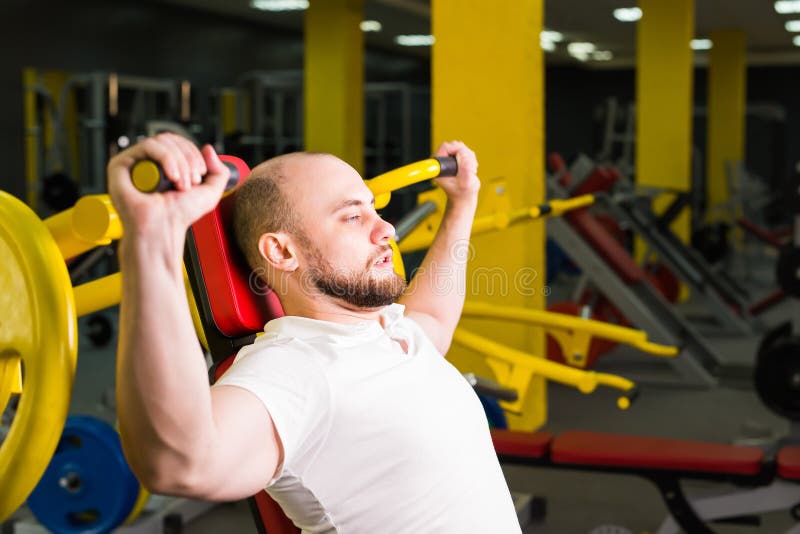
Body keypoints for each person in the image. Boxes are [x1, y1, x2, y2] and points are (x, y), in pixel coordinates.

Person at [108, 133, 521, 533]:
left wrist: (463, 201)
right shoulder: (295, 369)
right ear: (282, 252)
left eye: (374, 210)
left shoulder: (388, 332)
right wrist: (152, 240)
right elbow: (183, 466)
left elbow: (433, 314)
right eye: (352, 216)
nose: (386, 231)